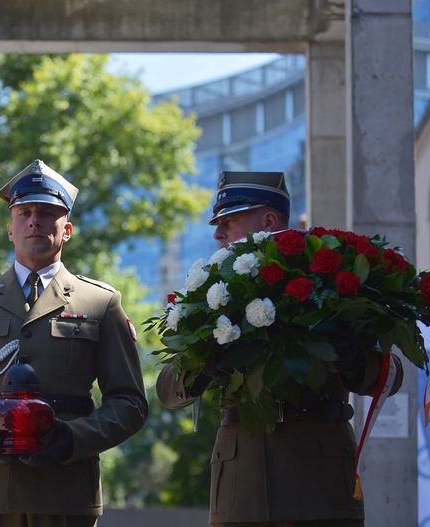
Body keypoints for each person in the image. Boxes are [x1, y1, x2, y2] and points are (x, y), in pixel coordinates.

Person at [156, 171, 404, 527]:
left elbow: (392, 376)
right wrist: (204, 365)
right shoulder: (213, 291)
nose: (217, 233)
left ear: (269, 220)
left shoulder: (328, 280)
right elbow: (167, 390)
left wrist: (351, 357)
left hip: (320, 487)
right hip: (242, 489)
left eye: (229, 220)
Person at [0, 160, 149, 527]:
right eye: (24, 212)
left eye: (46, 213)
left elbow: (130, 404)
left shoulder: (100, 303)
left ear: (67, 230)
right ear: (10, 229)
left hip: (66, 492)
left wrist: (72, 439)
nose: (34, 221)